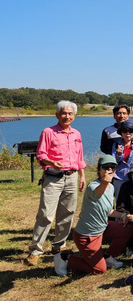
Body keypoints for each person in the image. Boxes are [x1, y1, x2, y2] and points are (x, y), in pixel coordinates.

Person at [27, 100, 87, 266]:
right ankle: (35, 250)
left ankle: (59, 245)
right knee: (46, 214)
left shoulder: (76, 134)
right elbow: (41, 154)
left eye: (70, 113)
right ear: (57, 115)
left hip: (72, 177)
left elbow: (79, 158)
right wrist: (52, 163)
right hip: (53, 177)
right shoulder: (48, 132)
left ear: (74, 116)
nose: (67, 116)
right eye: (63, 113)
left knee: (67, 213)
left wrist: (82, 176)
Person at [53, 156, 133, 276]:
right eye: (105, 167)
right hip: (87, 236)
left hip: (102, 228)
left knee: (127, 229)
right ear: (99, 169)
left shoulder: (110, 187)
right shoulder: (92, 187)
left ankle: (107, 257)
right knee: (99, 269)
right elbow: (97, 194)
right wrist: (105, 181)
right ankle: (64, 258)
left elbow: (108, 210)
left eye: (113, 167)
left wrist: (122, 215)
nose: (109, 169)